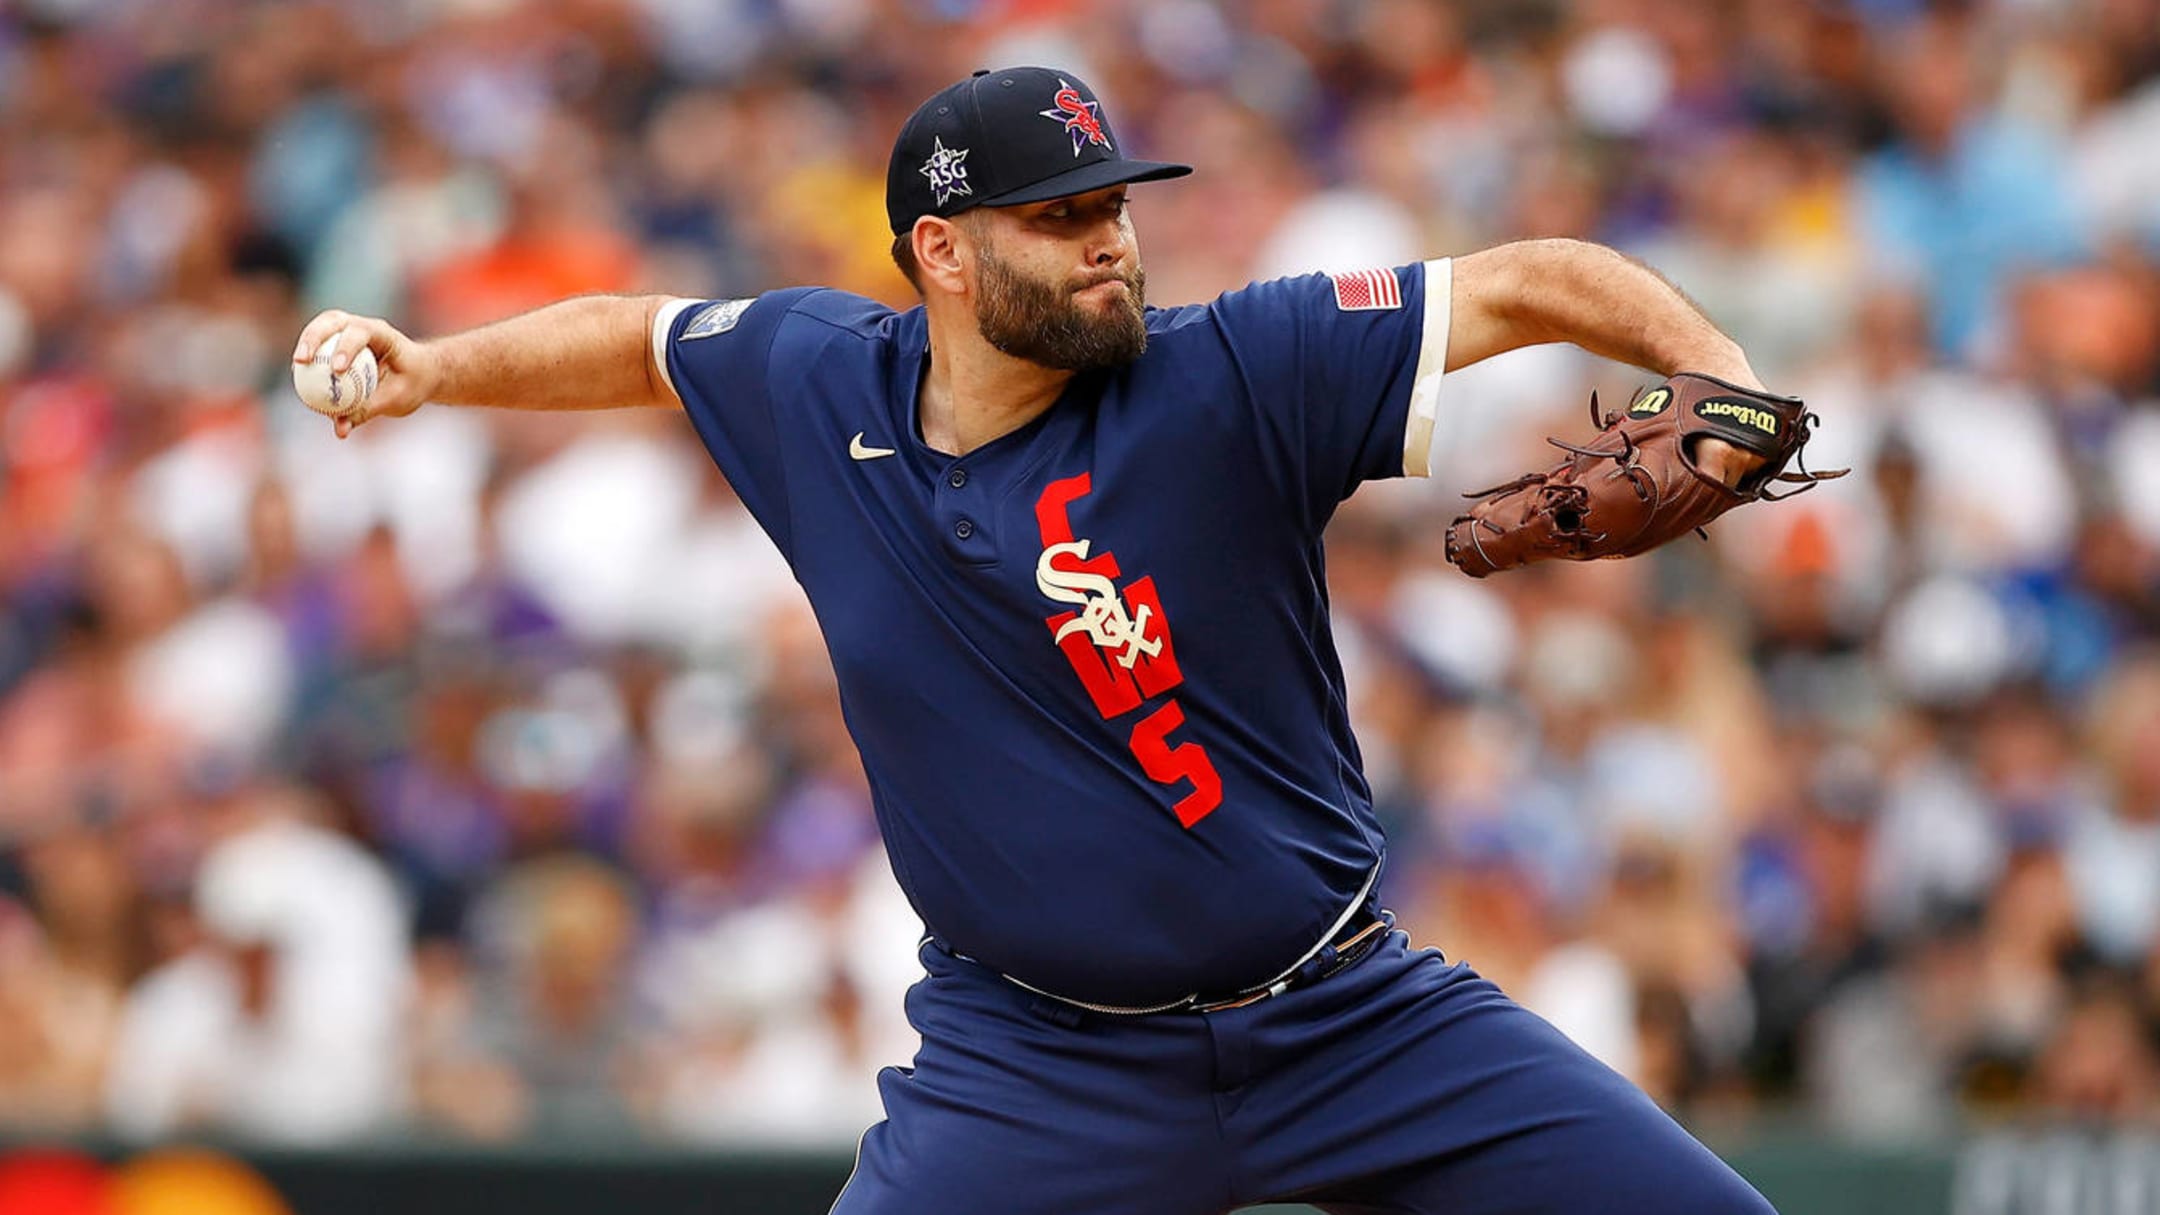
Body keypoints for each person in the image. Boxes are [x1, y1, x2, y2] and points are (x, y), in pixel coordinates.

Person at [295, 66, 1779, 1215]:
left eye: (1115, 209)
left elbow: (1525, 281)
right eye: (1061, 217)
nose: (1110, 247)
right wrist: (434, 370)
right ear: (941, 252)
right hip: (1040, 1067)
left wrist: (1717, 370)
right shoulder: (821, 384)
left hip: (1351, 1018)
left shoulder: (1235, 375)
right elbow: (641, 337)